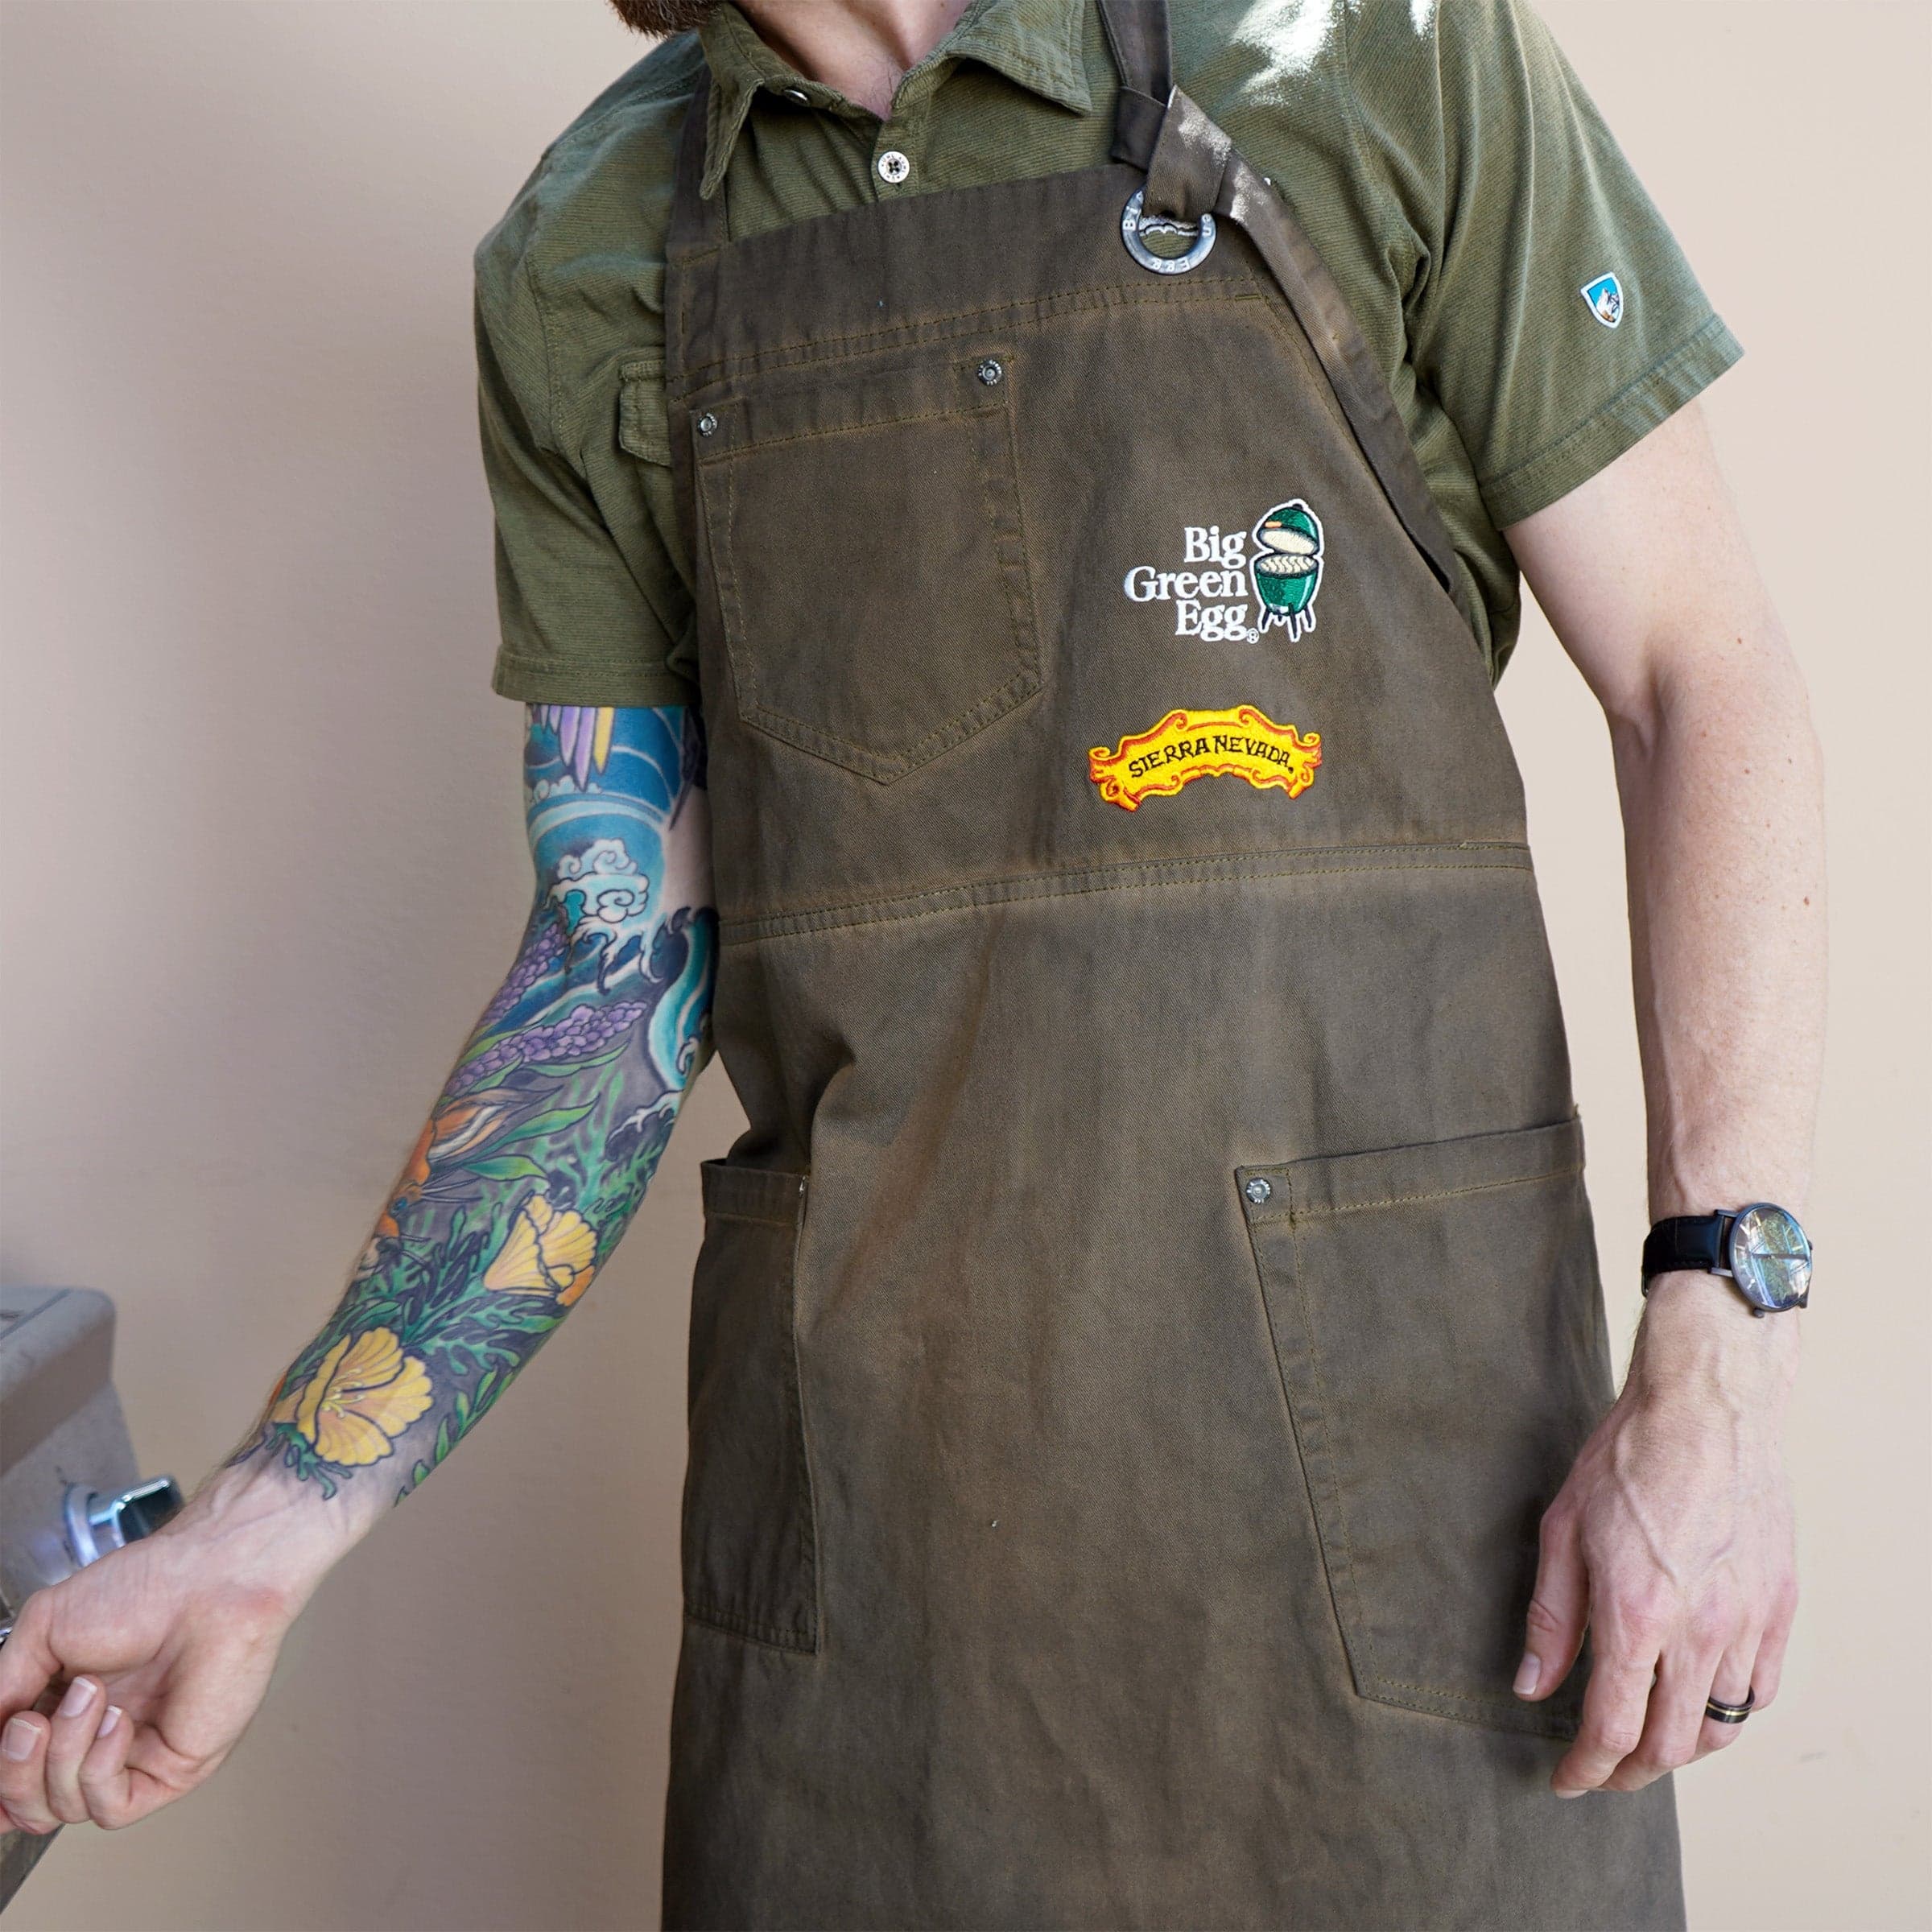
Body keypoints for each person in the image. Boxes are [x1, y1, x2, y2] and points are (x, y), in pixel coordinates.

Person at [0, 0, 1825, 1924]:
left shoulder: (1365, 44)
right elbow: (621, 973)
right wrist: (265, 1526)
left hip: (1437, 1545)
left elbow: (1705, 683)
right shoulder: (591, 255)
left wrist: (1718, 1367)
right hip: (877, 1621)